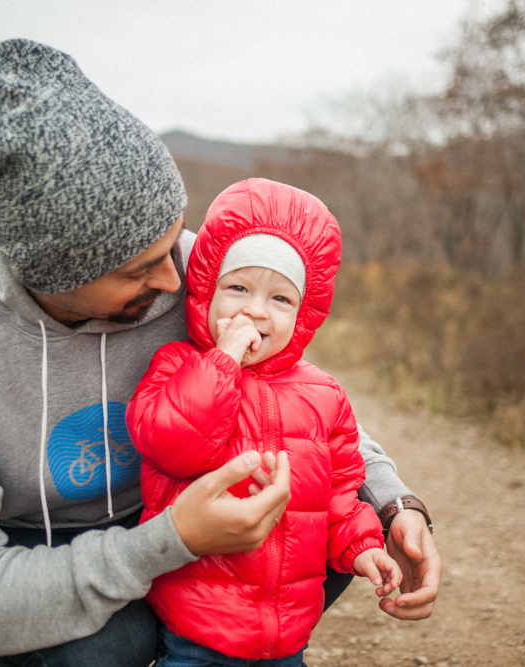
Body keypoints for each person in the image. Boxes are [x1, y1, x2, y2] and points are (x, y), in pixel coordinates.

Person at [0, 38, 440, 666]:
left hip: (204, 542)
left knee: (334, 499)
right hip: (62, 555)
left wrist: (396, 504)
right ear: (54, 272)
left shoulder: (200, 275)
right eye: (142, 269)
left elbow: (300, 404)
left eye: (174, 245)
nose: (176, 284)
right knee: (85, 654)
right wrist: (168, 542)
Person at [128, 178, 403, 666]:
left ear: (302, 316)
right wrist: (224, 360)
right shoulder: (177, 366)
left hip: (287, 633)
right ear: (206, 295)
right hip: (199, 627)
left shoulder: (323, 394)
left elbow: (341, 488)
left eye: (280, 299)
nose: (255, 310)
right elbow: (171, 444)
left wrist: (362, 546)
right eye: (237, 289)